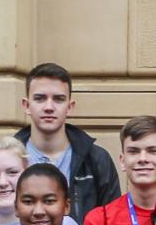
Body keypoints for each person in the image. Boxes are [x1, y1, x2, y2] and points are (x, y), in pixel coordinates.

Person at [16, 63, 121, 216]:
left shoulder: (96, 160)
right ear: (26, 106)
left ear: (70, 107)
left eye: (58, 99)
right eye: (40, 98)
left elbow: (112, 221)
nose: (49, 107)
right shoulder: (8, 159)